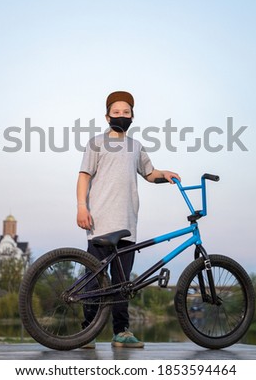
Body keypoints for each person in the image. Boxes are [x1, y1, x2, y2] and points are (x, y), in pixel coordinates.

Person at [76, 91, 180, 348]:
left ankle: (121, 332)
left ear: (132, 116)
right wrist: (81, 207)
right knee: (94, 279)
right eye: (116, 112)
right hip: (99, 221)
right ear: (107, 116)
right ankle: (86, 332)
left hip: (127, 224)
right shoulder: (96, 143)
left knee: (122, 282)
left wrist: (164, 174)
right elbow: (84, 176)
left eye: (126, 112)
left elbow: (149, 173)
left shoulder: (136, 146)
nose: (121, 115)